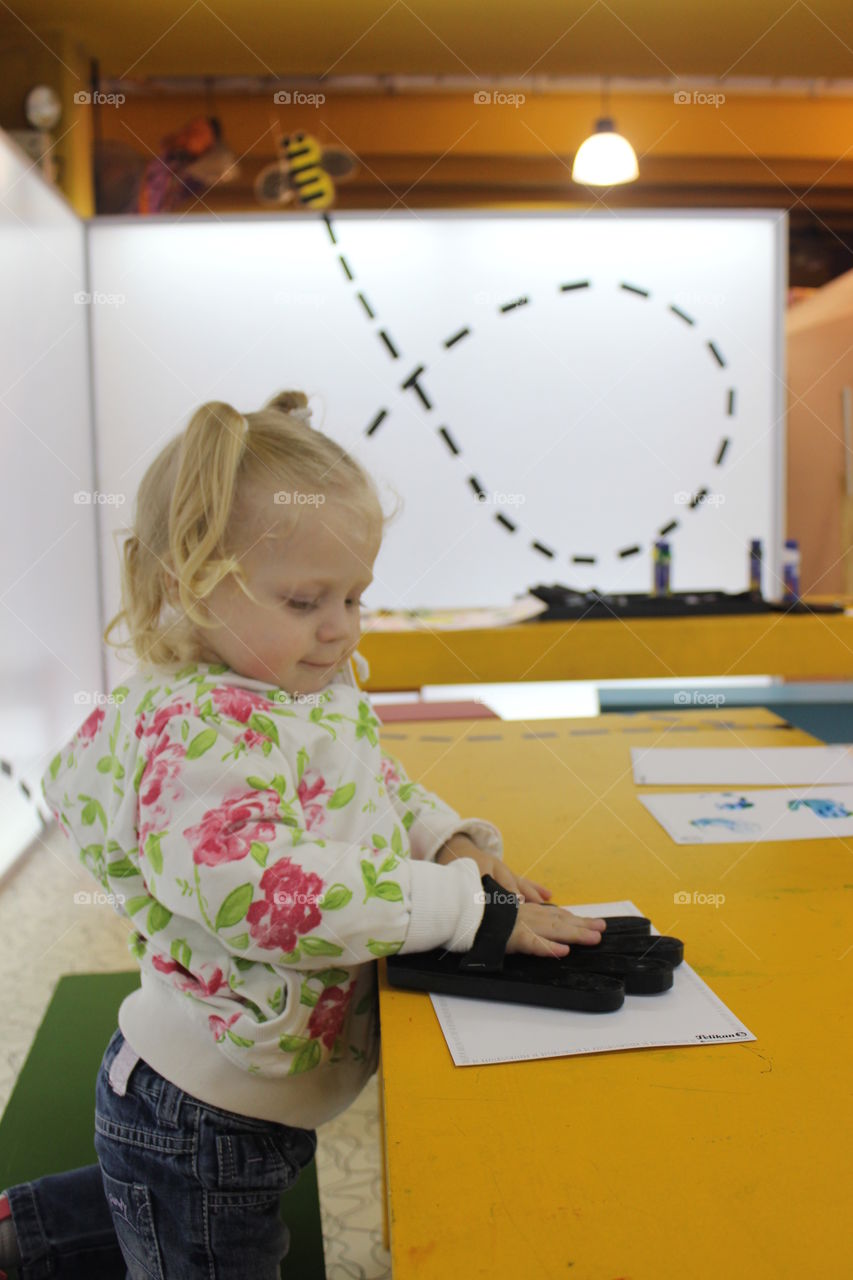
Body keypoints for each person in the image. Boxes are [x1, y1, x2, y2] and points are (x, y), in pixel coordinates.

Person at [0, 391, 606, 1279]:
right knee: (186, 1212)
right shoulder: (197, 736)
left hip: (235, 1110)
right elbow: (276, 894)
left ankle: (24, 1229)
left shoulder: (298, 690)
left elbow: (367, 783)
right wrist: (463, 909)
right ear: (186, 584)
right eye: (304, 600)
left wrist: (446, 842)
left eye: (355, 596)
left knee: (153, 1199)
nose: (340, 628)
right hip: (200, 1105)